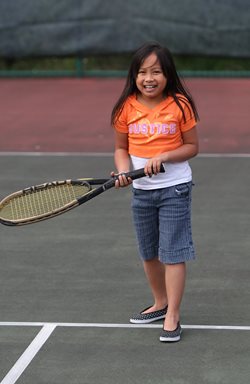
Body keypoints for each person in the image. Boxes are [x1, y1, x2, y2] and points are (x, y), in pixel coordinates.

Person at [111, 42, 199, 342]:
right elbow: (121, 149)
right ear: (134, 76)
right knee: (149, 253)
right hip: (142, 192)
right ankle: (160, 303)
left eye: (157, 71)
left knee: (172, 253)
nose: (149, 78)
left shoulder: (180, 104)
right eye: (143, 72)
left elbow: (192, 147)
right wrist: (124, 171)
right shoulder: (126, 107)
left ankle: (173, 313)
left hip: (174, 189)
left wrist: (165, 156)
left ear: (167, 74)